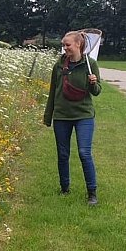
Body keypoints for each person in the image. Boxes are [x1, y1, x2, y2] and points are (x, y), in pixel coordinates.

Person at [43, 30, 102, 205]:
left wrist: (93, 82)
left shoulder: (90, 64)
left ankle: (92, 193)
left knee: (84, 153)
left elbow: (97, 92)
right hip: (62, 115)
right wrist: (48, 116)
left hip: (84, 115)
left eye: (67, 45)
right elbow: (53, 91)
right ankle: (64, 188)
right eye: (63, 45)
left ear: (78, 44)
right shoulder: (59, 66)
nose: (64, 48)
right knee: (63, 154)